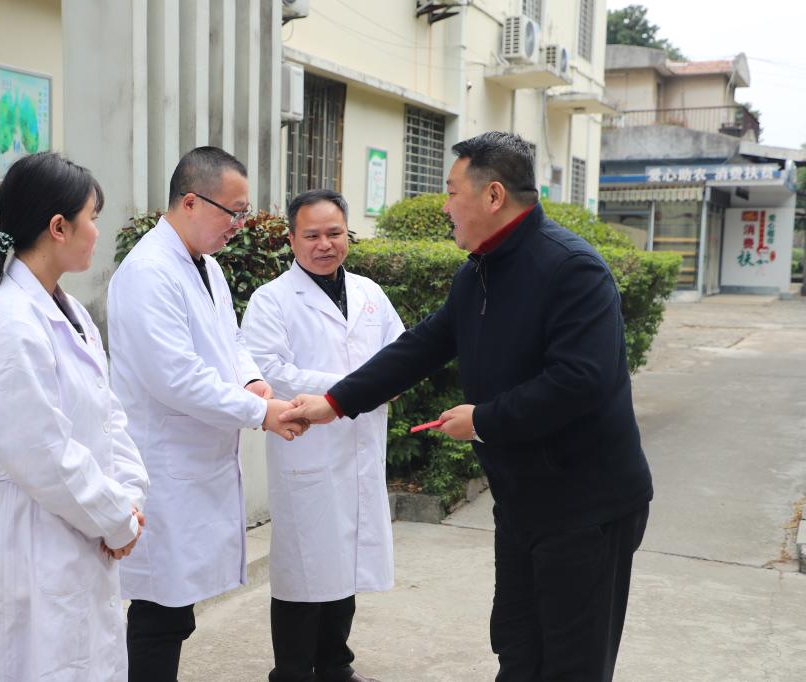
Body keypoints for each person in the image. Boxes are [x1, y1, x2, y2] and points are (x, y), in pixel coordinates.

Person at [280, 132, 653, 682]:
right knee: (518, 648)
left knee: (572, 663)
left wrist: (482, 420)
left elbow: (580, 381)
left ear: (493, 195)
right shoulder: (479, 270)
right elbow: (423, 345)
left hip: (585, 507)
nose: (444, 206)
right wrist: (335, 402)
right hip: (522, 499)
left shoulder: (571, 268)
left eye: (452, 191)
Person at [0, 152, 149, 681]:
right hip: (26, 546)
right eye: (92, 218)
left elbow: (109, 417)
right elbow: (39, 450)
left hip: (76, 532)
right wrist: (115, 519)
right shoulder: (10, 323)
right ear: (59, 227)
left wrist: (129, 498)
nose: (97, 231)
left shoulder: (71, 313)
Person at [107, 146, 308, 681]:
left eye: (244, 213)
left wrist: (252, 381)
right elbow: (176, 377)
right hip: (164, 465)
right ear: (191, 202)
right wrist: (260, 412)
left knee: (175, 610)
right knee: (158, 611)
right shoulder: (148, 272)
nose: (239, 226)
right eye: (233, 212)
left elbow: (230, 341)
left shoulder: (208, 267)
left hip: (197, 462)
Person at [241, 189, 404, 682]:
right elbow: (270, 371)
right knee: (303, 571)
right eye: (311, 235)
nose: (324, 244)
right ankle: (292, 672)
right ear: (292, 239)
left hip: (360, 448)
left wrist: (373, 386)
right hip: (307, 450)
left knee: (345, 564)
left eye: (334, 233)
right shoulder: (272, 300)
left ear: (347, 235)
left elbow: (399, 357)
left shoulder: (370, 294)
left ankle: (335, 666)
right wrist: (357, 388)